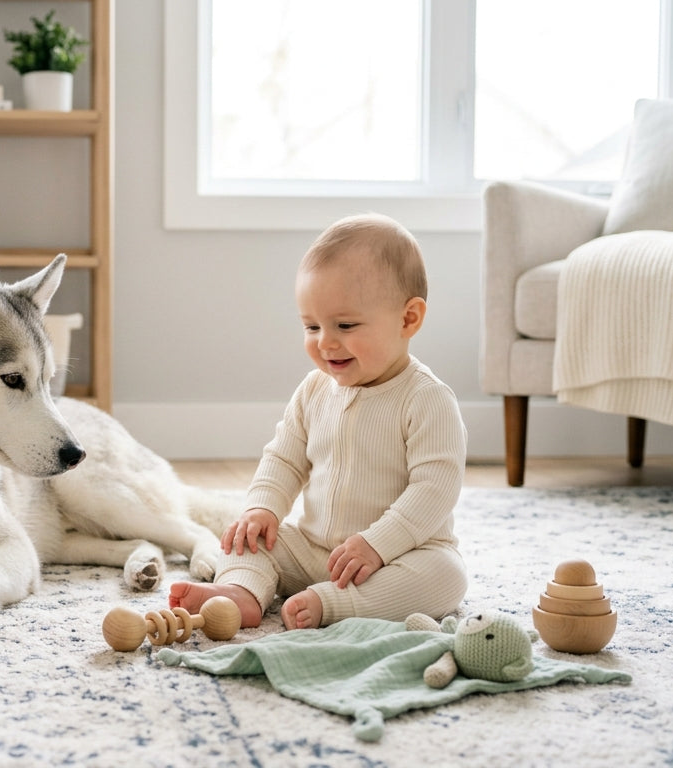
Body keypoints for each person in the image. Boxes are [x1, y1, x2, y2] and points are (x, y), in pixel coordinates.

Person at [170, 213, 467, 630]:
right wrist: (263, 508)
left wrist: (376, 545)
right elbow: (284, 459)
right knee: (245, 537)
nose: (325, 342)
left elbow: (434, 490)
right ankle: (242, 591)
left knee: (446, 578)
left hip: (399, 555)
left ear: (408, 319)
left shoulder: (426, 398)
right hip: (314, 551)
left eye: (345, 325)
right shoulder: (313, 391)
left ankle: (335, 604)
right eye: (311, 326)